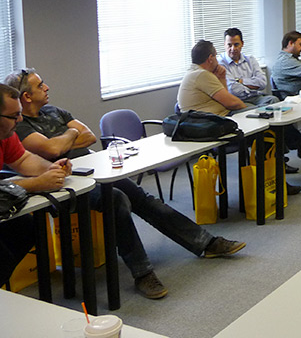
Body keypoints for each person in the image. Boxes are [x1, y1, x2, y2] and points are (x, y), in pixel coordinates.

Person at [5, 69, 246, 300]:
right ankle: (143, 273)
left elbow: (89, 135)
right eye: (40, 85)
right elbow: (52, 149)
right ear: (27, 97)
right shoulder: (20, 126)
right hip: (61, 185)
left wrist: (63, 142)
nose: (47, 87)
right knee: (116, 199)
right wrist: (70, 134)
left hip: (90, 169)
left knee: (141, 197)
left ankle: (205, 243)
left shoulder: (53, 111)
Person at [178, 40, 301, 191]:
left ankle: (292, 158)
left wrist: (222, 78)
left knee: (269, 120)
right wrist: (251, 112)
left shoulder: (195, 73)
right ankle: (279, 181)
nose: (217, 60)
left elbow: (225, 98)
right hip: (217, 126)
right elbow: (232, 103)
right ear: (210, 58)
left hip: (217, 122)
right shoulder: (202, 75)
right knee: (268, 128)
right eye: (215, 56)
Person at [0, 83, 72, 288]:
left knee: (27, 230)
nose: (20, 120)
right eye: (14, 116)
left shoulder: (6, 134)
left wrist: (51, 169)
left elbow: (23, 159)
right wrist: (36, 184)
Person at [218, 28, 276, 107]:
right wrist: (252, 86)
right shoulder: (220, 63)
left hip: (255, 97)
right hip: (236, 100)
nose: (233, 49)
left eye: (236, 44)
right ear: (224, 44)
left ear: (242, 44)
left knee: (274, 100)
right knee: (254, 110)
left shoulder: (250, 59)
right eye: (229, 45)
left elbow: (262, 83)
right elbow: (233, 89)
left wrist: (240, 81)